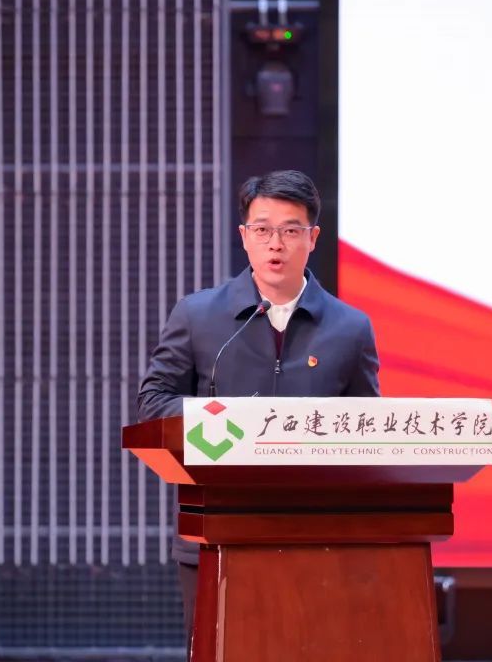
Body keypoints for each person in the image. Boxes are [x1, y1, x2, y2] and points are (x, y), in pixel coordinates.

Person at [137, 169, 381, 654]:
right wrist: (227, 421)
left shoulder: (351, 328)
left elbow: (365, 434)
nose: (276, 244)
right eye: (263, 229)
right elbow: (153, 403)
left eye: (291, 230)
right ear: (244, 236)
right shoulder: (198, 315)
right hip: (216, 530)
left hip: (317, 536)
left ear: (313, 238)